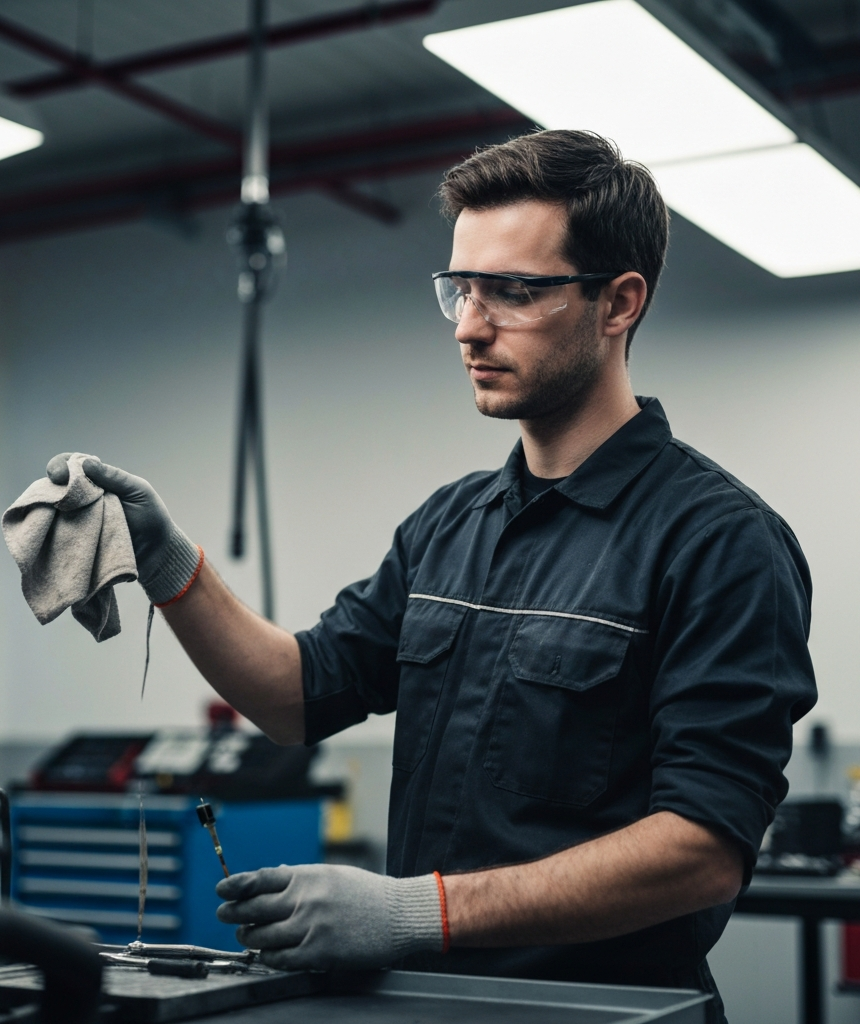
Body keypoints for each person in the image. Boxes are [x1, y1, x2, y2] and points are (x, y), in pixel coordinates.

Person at [46, 130, 816, 1020]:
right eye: (461, 289)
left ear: (618, 303)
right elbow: (296, 697)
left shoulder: (720, 541)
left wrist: (415, 910)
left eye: (515, 292)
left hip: (607, 1012)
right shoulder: (450, 525)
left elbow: (704, 848)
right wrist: (165, 557)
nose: (470, 325)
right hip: (425, 1004)